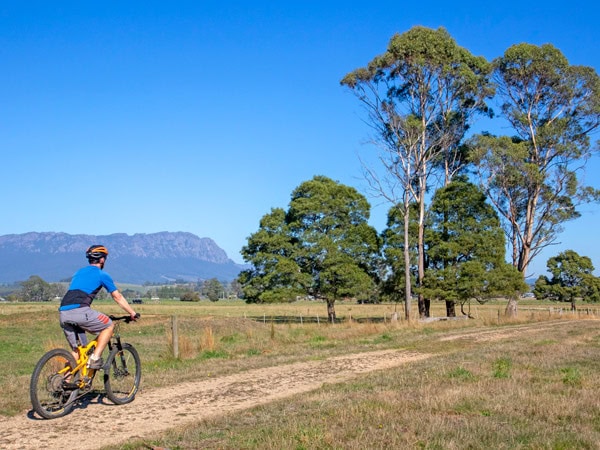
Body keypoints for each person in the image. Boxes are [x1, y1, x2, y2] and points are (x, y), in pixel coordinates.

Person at [59, 245, 137, 370]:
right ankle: (95, 359)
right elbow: (117, 297)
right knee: (108, 325)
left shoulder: (78, 272)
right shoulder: (102, 275)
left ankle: (65, 383)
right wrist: (132, 312)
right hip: (80, 311)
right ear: (102, 260)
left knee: (78, 351)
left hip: (64, 312)